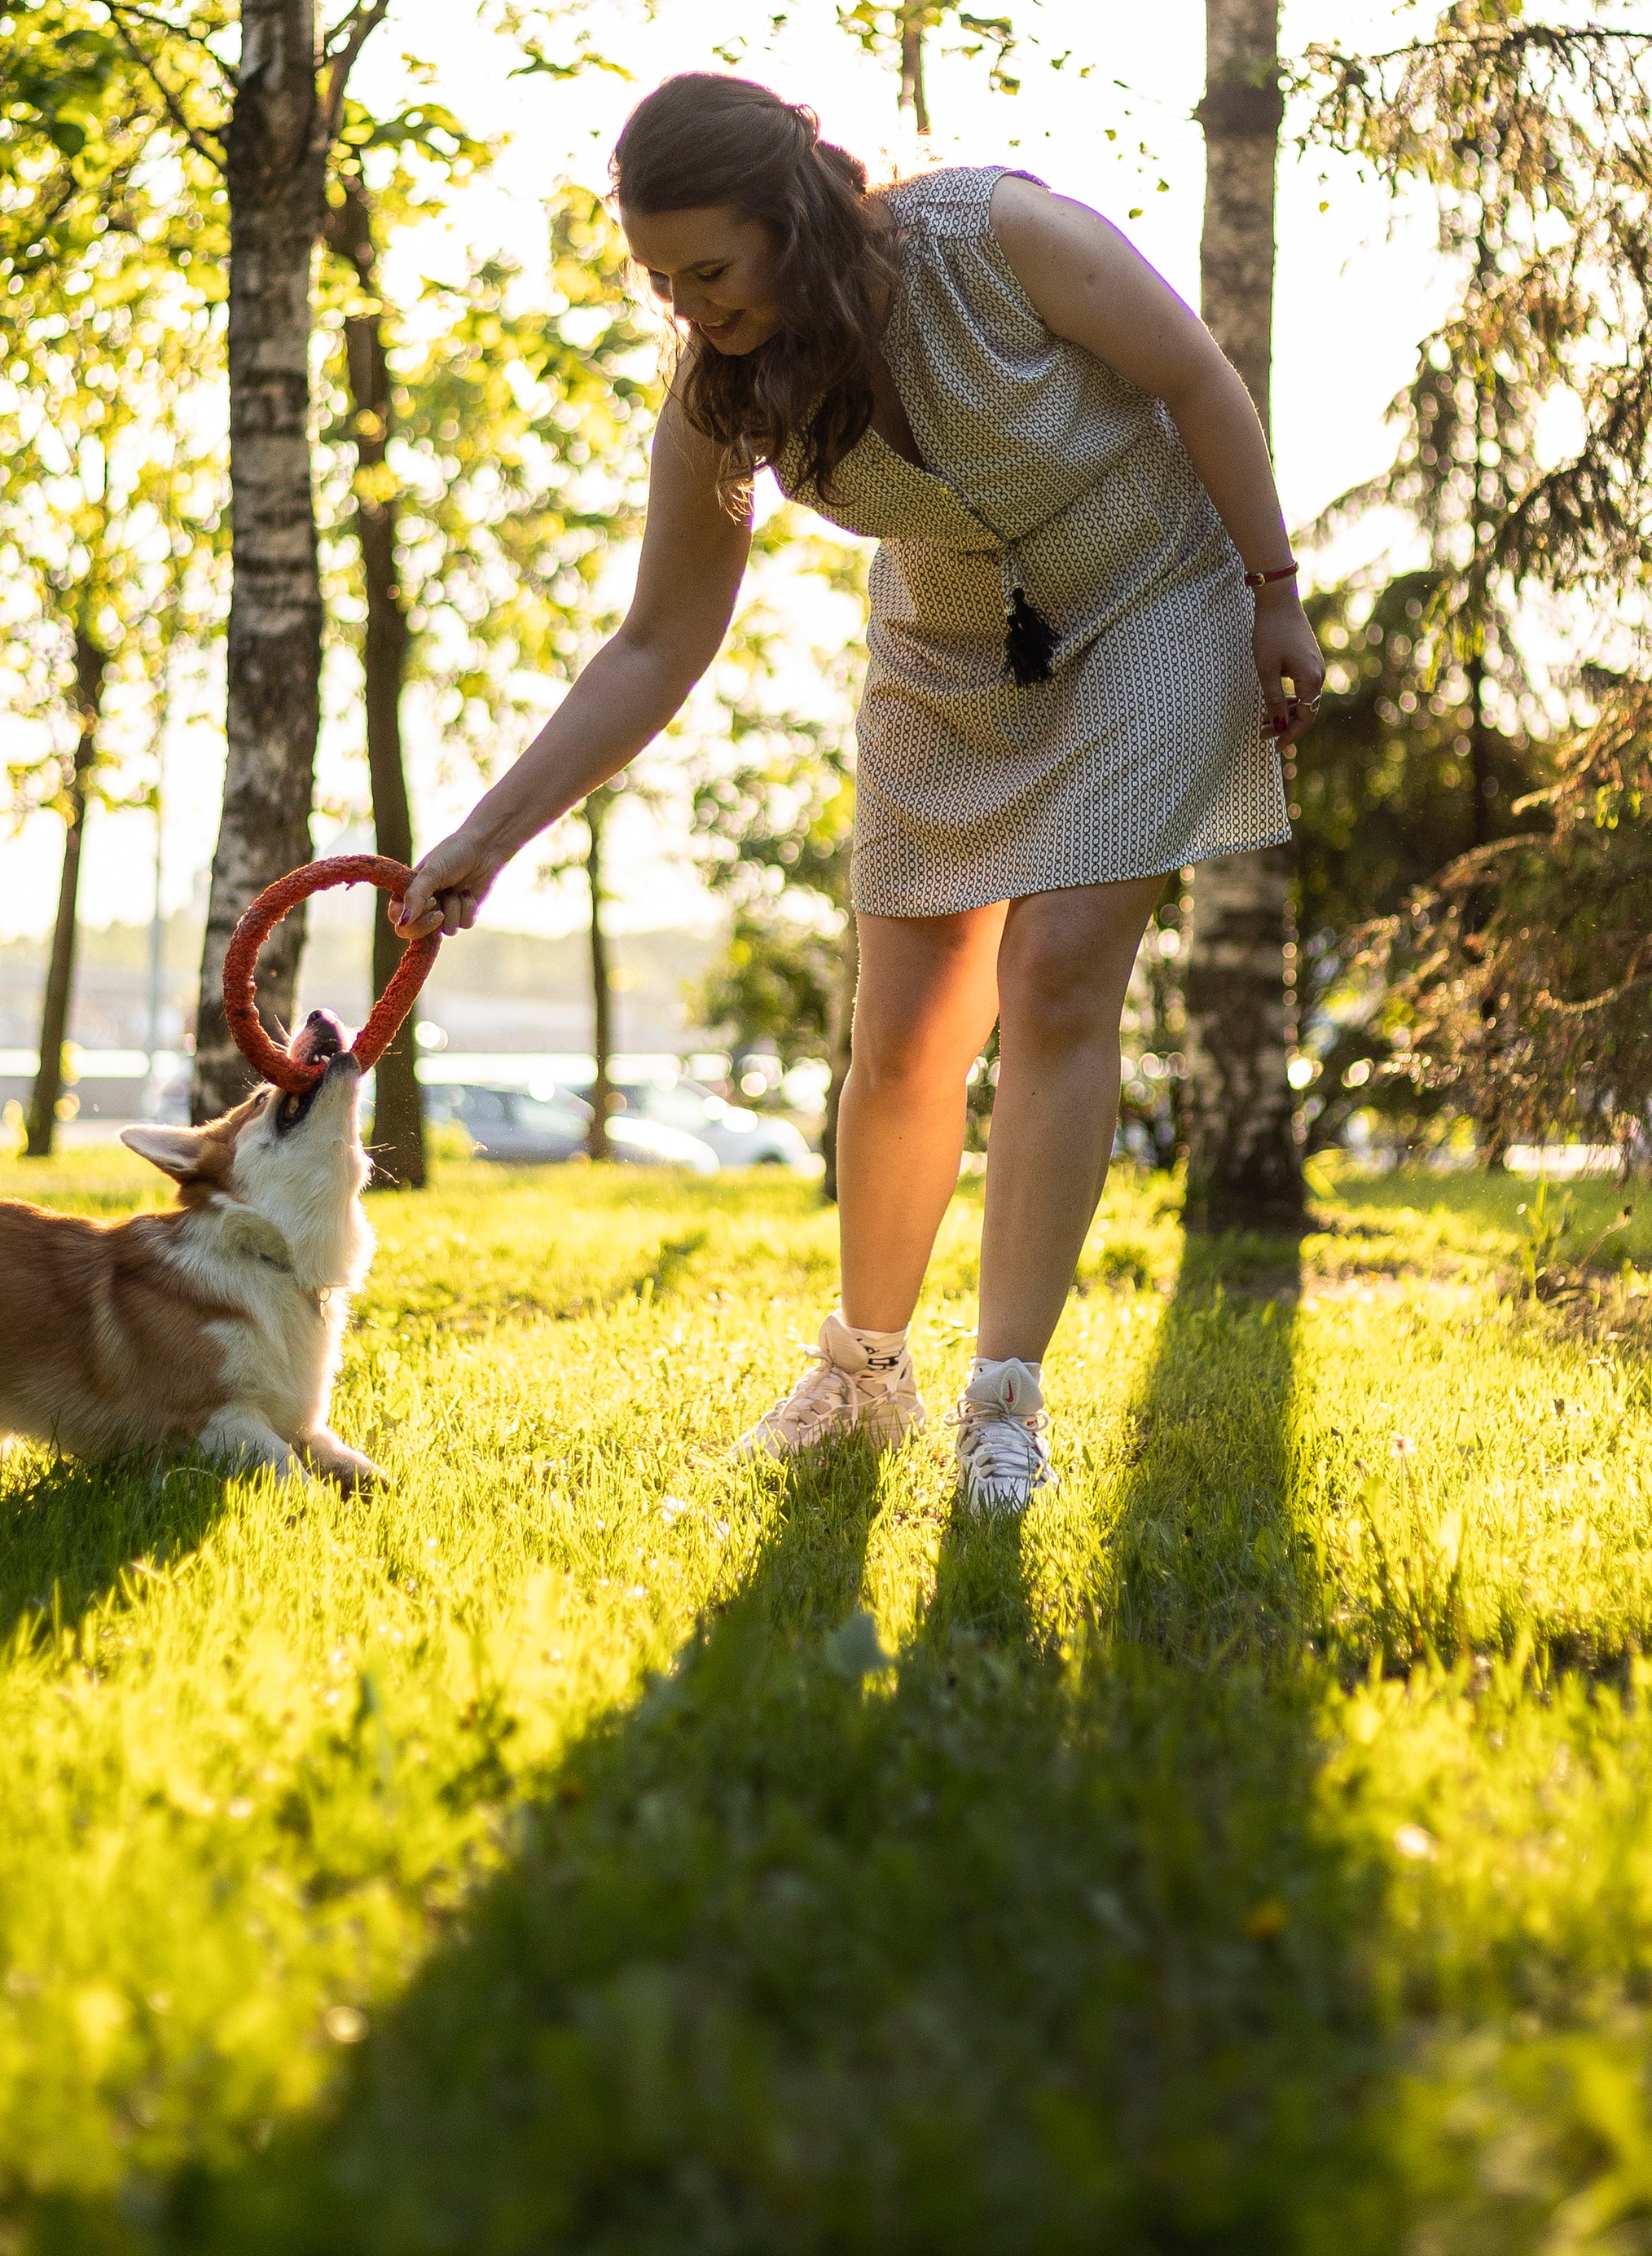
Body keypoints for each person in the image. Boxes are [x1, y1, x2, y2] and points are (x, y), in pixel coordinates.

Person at [395, 73, 1324, 1510]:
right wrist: (486, 834)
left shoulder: (995, 236)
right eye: (659, 279)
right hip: (948, 650)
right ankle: (863, 1376)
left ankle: (1002, 1401)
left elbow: (1197, 376)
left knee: (1062, 974)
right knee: (901, 1033)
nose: (688, 304)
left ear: (795, 216)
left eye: (707, 268)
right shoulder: (724, 394)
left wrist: (1277, 592)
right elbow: (656, 642)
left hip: (1155, 595)